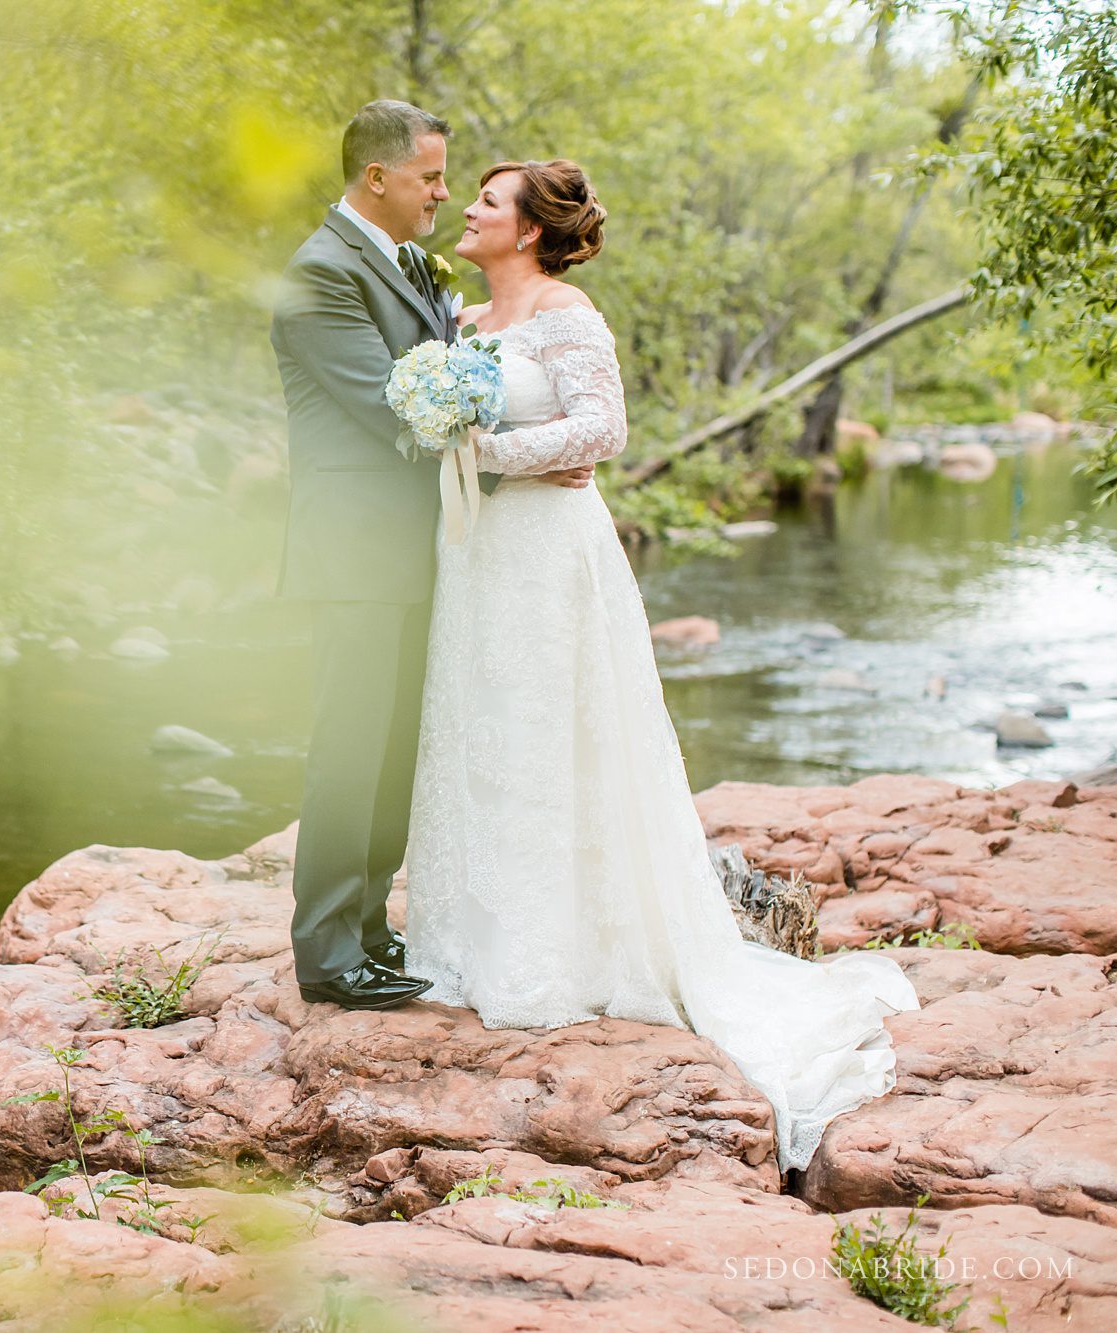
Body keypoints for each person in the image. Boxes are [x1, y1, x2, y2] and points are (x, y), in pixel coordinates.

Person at [399, 157, 920, 1170]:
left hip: (549, 549)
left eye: (487, 201)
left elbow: (602, 430)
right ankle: (473, 947)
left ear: (530, 229)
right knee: (481, 728)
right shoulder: (463, 322)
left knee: (554, 731)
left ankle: (562, 957)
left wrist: (483, 449)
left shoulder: (565, 314)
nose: (466, 207)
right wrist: (449, 438)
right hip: (474, 554)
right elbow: (500, 432)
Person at [270, 104, 591, 1010]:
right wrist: (520, 458)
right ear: (379, 177)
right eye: (431, 178)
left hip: (420, 547)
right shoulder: (321, 274)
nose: (444, 195)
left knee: (393, 748)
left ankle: (370, 930)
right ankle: (328, 953)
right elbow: (391, 408)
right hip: (356, 551)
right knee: (349, 746)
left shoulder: (405, 261)